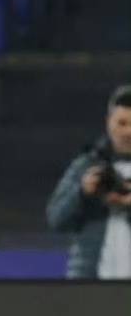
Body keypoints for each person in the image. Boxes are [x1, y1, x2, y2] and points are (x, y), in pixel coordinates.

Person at [45, 85, 131, 279]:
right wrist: (82, 193)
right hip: (90, 283)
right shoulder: (86, 165)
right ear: (109, 123)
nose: (128, 132)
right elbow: (56, 219)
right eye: (122, 123)